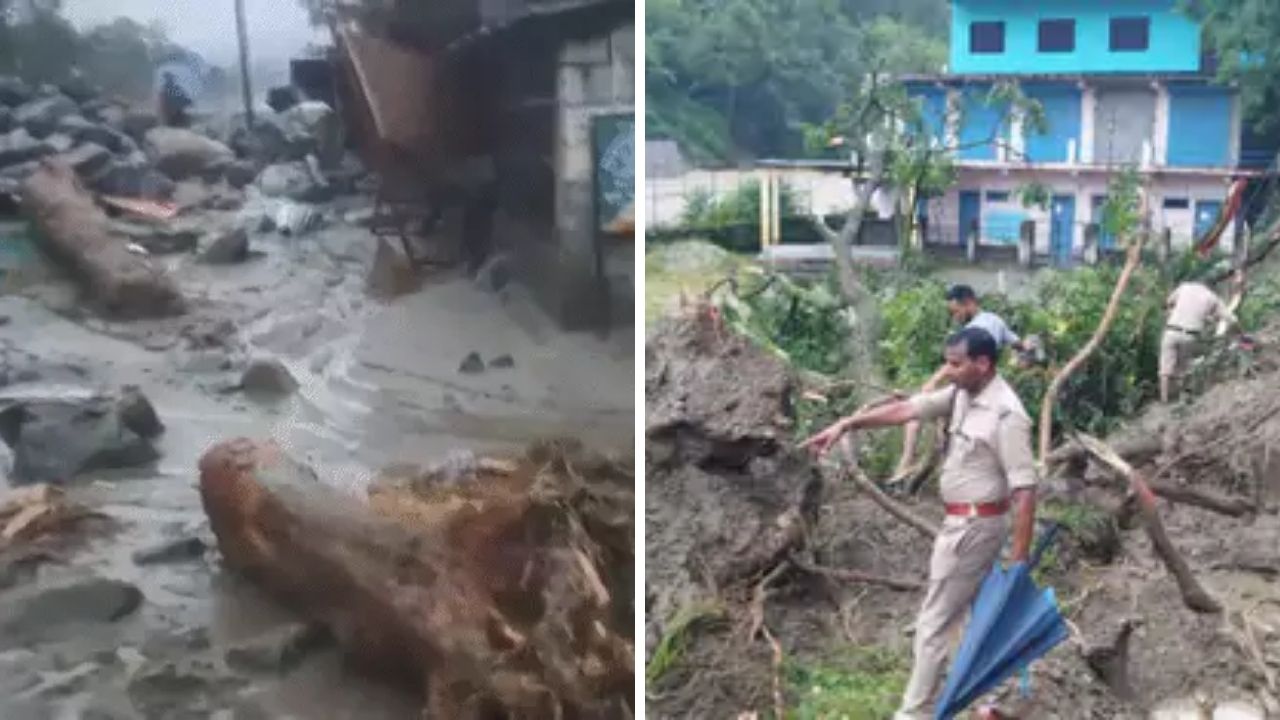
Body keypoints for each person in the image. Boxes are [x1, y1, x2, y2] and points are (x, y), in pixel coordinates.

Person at [801, 327, 1039, 720]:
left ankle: (914, 712)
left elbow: (1025, 491)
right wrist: (847, 423)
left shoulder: (1006, 414)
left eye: (956, 364)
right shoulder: (962, 393)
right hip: (964, 523)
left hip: (973, 529)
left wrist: (1018, 563)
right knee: (977, 615)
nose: (948, 371)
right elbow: (907, 410)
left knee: (933, 622)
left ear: (983, 363)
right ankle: (988, 703)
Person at [895, 284, 1028, 477]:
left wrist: (933, 382)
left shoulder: (974, 330)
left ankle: (906, 462)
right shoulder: (995, 320)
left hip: (970, 386)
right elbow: (1019, 344)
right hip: (985, 384)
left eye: (956, 311)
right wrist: (1025, 355)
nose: (955, 317)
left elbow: (954, 364)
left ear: (969, 303)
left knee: (916, 411)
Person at [1160, 273, 1239, 403]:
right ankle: (1180, 397)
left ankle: (1164, 400)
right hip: (1189, 336)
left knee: (1165, 369)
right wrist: (1241, 333)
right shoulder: (1212, 297)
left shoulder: (1184, 287)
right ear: (1212, 286)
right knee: (1183, 368)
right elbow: (1230, 318)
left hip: (1171, 331)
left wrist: (1171, 312)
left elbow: (1168, 302)